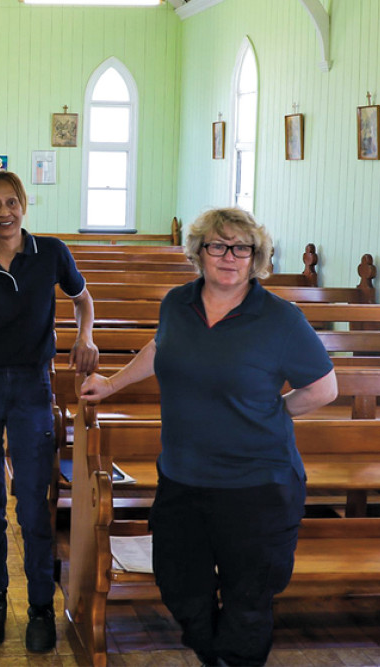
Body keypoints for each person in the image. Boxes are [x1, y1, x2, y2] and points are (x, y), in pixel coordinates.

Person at [80, 208, 337, 666]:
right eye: (217, 245)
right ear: (199, 252)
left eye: (242, 248)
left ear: (256, 257)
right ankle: (216, 653)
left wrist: (274, 411)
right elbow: (160, 346)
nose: (229, 257)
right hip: (183, 478)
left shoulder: (280, 319)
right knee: (179, 585)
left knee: (248, 600)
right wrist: (111, 384)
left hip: (258, 486)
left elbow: (323, 389)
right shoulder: (177, 303)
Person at [0, 170, 99, 653]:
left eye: (12, 202)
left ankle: (39, 606)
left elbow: (83, 301)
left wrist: (85, 335)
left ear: (24, 206)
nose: (4, 212)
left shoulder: (50, 253)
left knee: (33, 502)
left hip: (33, 387)